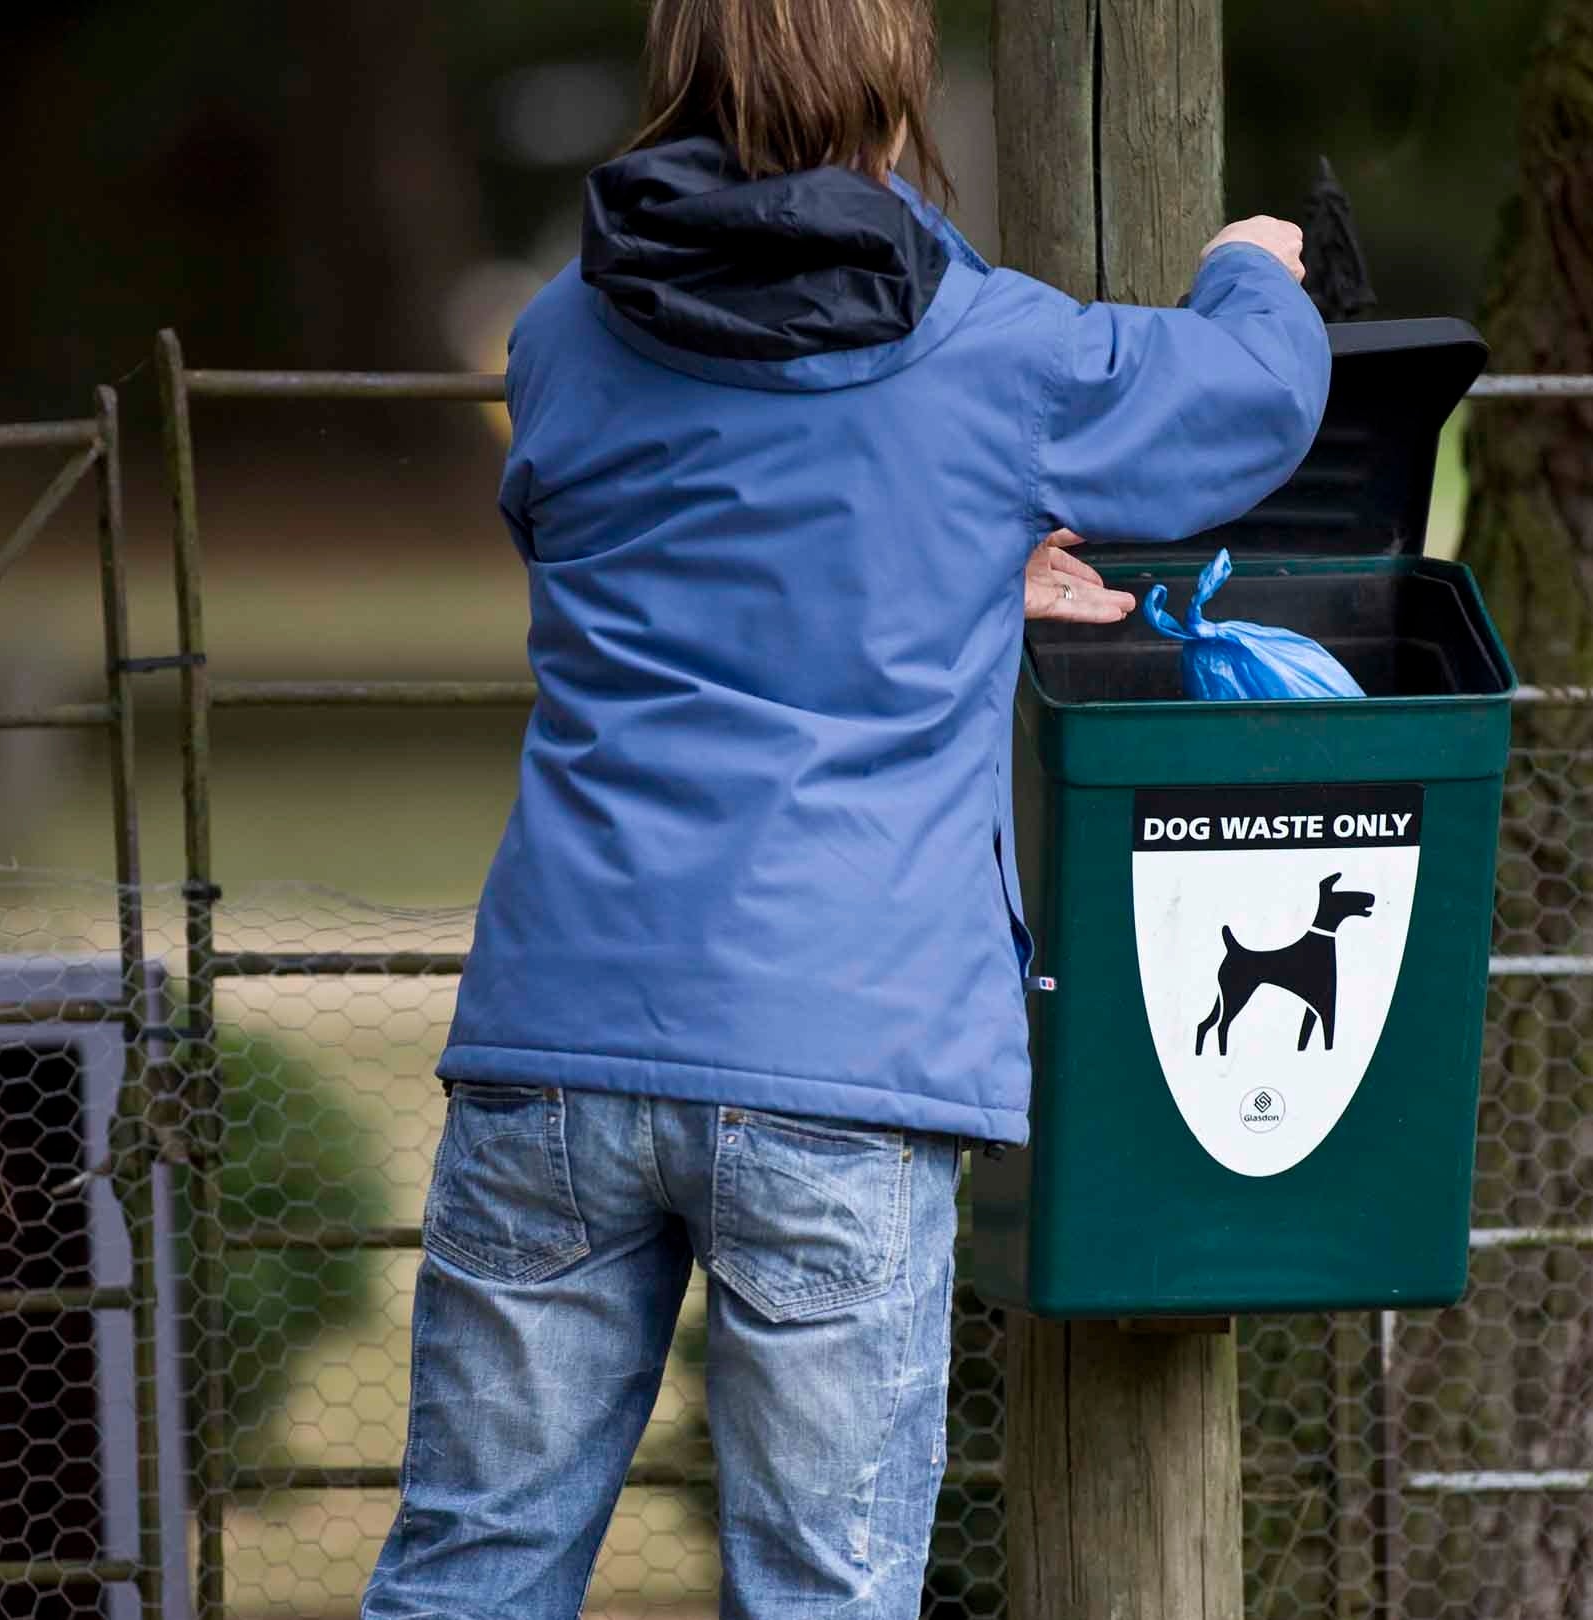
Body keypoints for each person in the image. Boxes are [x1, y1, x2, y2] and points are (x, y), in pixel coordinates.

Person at [363, 0, 1329, 1612]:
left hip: (558, 1042)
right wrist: (1255, 267)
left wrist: (955, 558)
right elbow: (1245, 408)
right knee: (827, 1590)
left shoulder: (556, 340)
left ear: (674, 80)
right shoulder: (997, 351)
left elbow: (649, 555)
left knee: (468, 1573)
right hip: (841, 1063)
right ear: (895, 98)